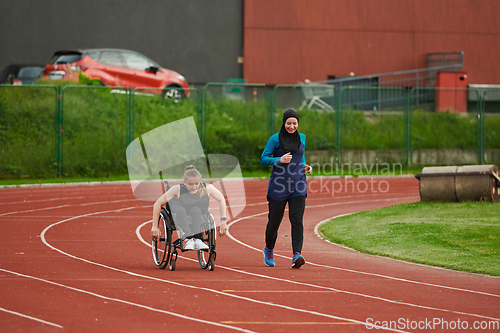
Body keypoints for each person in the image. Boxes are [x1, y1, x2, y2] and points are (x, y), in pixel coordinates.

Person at [260, 108, 312, 268]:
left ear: (298, 123)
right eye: (288, 123)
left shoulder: (302, 137)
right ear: (284, 123)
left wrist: (305, 167)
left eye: (294, 123)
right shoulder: (275, 139)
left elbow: (300, 158)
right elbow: (263, 159)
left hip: (298, 185)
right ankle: (269, 249)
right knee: (274, 221)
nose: (291, 126)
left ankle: (297, 254)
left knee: (297, 221)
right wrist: (278, 160)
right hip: (278, 187)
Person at [151, 165, 228, 250]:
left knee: (196, 210)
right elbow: (157, 204)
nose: (194, 187)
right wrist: (155, 226)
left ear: (200, 181)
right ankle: (189, 238)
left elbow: (221, 199)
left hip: (196, 212)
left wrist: (223, 221)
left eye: (196, 183)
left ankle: (197, 239)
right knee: (181, 210)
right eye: (190, 184)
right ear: (184, 182)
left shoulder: (207, 188)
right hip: (180, 210)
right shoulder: (177, 189)